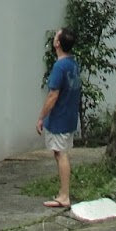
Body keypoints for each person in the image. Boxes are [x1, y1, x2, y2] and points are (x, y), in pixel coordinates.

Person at [37, 26, 80, 210]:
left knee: (60, 154)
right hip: (70, 116)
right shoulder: (73, 64)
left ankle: (64, 195)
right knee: (60, 152)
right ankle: (63, 193)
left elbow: (53, 95)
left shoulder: (59, 66)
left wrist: (41, 116)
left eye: (56, 36)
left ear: (57, 43)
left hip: (60, 117)